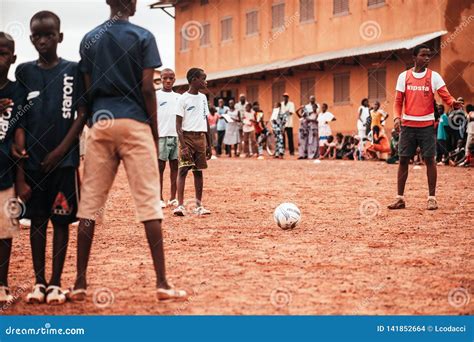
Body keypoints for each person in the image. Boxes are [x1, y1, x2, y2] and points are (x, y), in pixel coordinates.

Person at [73, 0, 186, 302]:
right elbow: (148, 88)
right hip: (134, 122)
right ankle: (162, 283)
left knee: (91, 205)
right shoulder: (143, 36)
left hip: (101, 123)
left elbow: (85, 92)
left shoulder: (90, 38)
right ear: (133, 3)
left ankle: (80, 282)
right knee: (149, 203)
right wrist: (151, 131)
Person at [13, 11, 88, 305]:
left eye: (49, 35)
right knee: (37, 221)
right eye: (38, 36)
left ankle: (56, 283)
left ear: (60, 36)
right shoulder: (24, 72)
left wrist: (61, 151)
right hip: (33, 163)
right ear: (31, 39)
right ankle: (39, 283)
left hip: (65, 163)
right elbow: (19, 117)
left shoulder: (73, 70)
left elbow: (81, 114)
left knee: (60, 222)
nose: (44, 41)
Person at [388, 44, 461, 210]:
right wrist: (396, 117)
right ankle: (400, 198)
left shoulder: (434, 77)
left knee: (430, 160)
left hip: (426, 126)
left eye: (429, 56)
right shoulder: (404, 77)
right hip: (408, 126)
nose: (427, 58)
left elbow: (445, 95)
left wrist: (452, 102)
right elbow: (398, 101)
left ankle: (432, 198)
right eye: (423, 55)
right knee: (403, 160)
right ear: (414, 58)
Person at [0, 32, 26, 304]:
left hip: (4, 171)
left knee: (4, 231)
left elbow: (20, 128)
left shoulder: (17, 91)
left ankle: (2, 283)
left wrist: (21, 176)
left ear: (13, 58)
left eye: (3, 53)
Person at [174, 67, 212, 216]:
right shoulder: (182, 98)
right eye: (203, 78)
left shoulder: (203, 98)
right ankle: (180, 205)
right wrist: (183, 145)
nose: (205, 81)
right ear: (194, 80)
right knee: (183, 170)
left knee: (198, 172)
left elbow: (206, 120)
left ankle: (198, 206)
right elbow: (178, 124)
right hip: (187, 138)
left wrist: (209, 143)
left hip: (200, 138)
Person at [156, 68, 180, 208]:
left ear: (174, 80)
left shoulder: (178, 97)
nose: (168, 81)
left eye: (171, 78)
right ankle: (159, 198)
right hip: (161, 136)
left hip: (176, 136)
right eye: (165, 78)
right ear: (161, 79)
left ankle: (173, 197)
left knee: (175, 167)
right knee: (160, 167)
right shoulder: (156, 96)